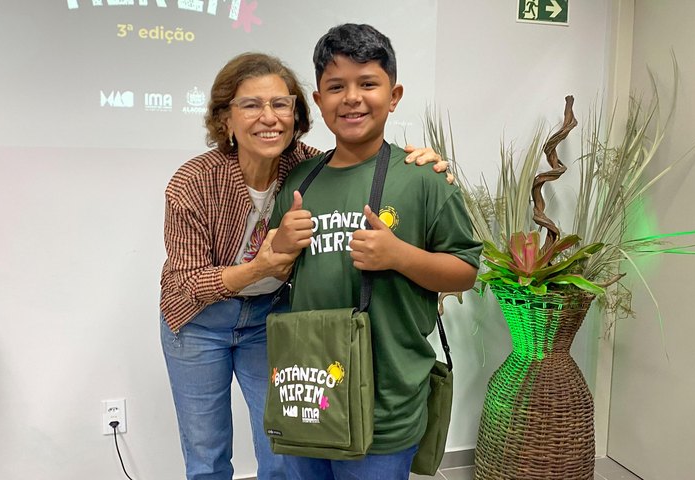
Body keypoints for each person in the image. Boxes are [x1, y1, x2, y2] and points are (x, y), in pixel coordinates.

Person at [159, 52, 450, 480]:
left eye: (281, 104)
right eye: (252, 105)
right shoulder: (193, 182)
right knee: (207, 453)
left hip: (269, 320)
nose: (269, 118)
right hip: (199, 320)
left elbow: (360, 157)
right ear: (226, 120)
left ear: (297, 114)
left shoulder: (309, 166)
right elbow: (187, 281)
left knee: (284, 443)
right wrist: (260, 267)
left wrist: (426, 163)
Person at [270, 24, 483, 479]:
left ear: (394, 94)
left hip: (388, 403)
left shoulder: (423, 178)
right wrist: (280, 244)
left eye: (368, 83)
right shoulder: (299, 180)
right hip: (309, 392)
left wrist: (399, 256)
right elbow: (275, 264)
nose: (352, 98)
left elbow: (465, 271)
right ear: (319, 100)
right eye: (336, 87)